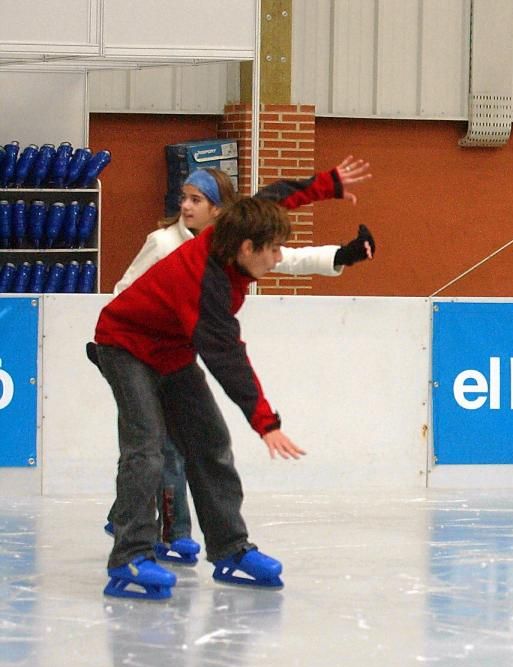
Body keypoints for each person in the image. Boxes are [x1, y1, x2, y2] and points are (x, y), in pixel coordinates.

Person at [91, 161, 369, 599]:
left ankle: (231, 549)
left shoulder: (245, 221)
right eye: (273, 250)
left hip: (171, 351)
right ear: (244, 247)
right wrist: (266, 422)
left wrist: (327, 185)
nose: (278, 258)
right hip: (124, 345)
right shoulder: (206, 287)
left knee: (210, 441)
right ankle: (130, 555)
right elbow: (228, 361)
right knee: (146, 448)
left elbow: (277, 194)